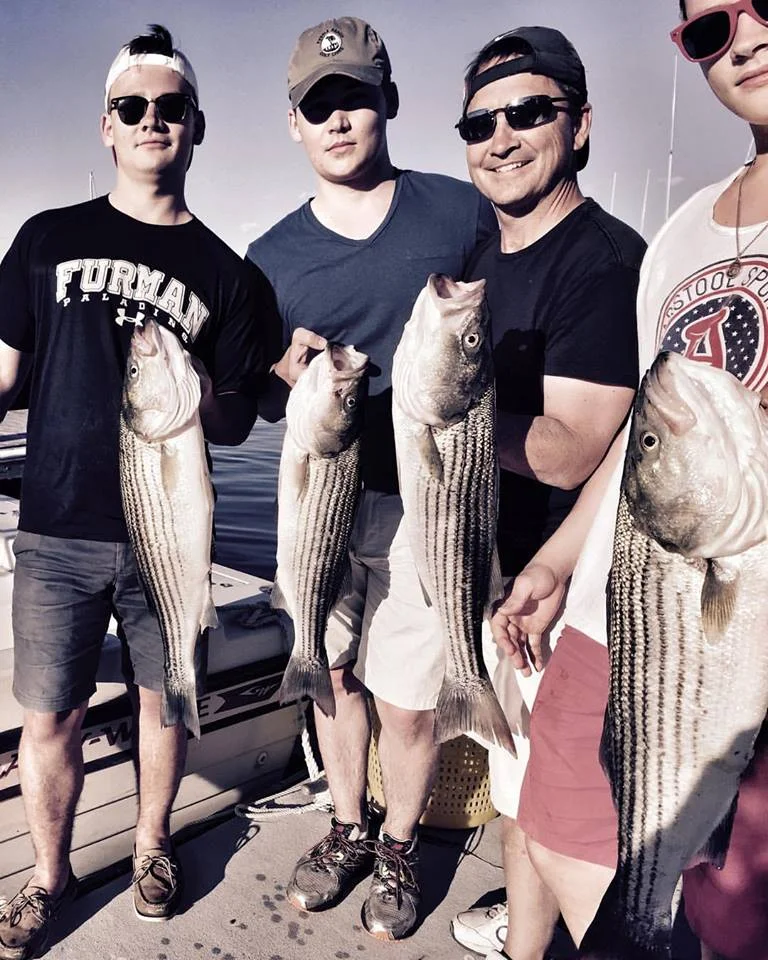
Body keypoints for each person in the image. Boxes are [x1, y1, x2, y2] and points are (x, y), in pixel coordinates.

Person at [488, 4, 768, 959]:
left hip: (735, 614)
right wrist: (562, 558)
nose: (747, 39)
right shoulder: (685, 232)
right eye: (710, 29)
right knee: (553, 822)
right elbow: (640, 440)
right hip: (630, 607)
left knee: (732, 920)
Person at [0, 24, 278, 959]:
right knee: (52, 716)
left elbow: (239, 416)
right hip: (55, 532)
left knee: (167, 698)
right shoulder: (46, 238)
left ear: (195, 127)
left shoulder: (231, 276)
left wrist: (207, 390)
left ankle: (154, 846)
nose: (152, 121)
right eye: (133, 108)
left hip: (173, 536)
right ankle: (49, 879)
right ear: (108, 128)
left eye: (170, 108)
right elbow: (4, 374)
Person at [246, 15, 497, 942]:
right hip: (317, 502)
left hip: (427, 505)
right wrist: (277, 374)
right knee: (330, 675)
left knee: (408, 697)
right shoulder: (269, 257)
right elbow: (260, 401)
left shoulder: (456, 213)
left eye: (354, 97)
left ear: (386, 102)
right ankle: (346, 826)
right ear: (294, 125)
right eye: (319, 105)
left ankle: (398, 842)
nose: (339, 119)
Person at [449, 27, 646, 960]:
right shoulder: (482, 256)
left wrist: (441, 412)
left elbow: (572, 452)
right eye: (480, 121)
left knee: (572, 822)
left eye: (528, 112)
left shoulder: (603, 260)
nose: (501, 136)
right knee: (519, 793)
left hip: (573, 596)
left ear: (580, 123)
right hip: (498, 578)